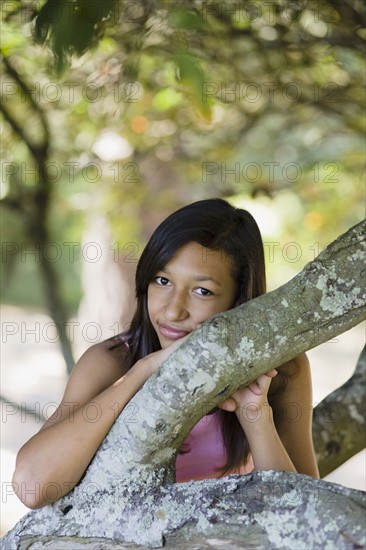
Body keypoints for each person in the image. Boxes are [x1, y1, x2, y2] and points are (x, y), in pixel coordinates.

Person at [12, 198, 319, 509]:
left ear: (239, 300)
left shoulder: (283, 370)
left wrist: (256, 418)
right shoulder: (112, 362)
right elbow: (32, 487)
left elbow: (304, 514)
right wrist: (140, 373)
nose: (173, 311)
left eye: (202, 291)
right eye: (162, 280)